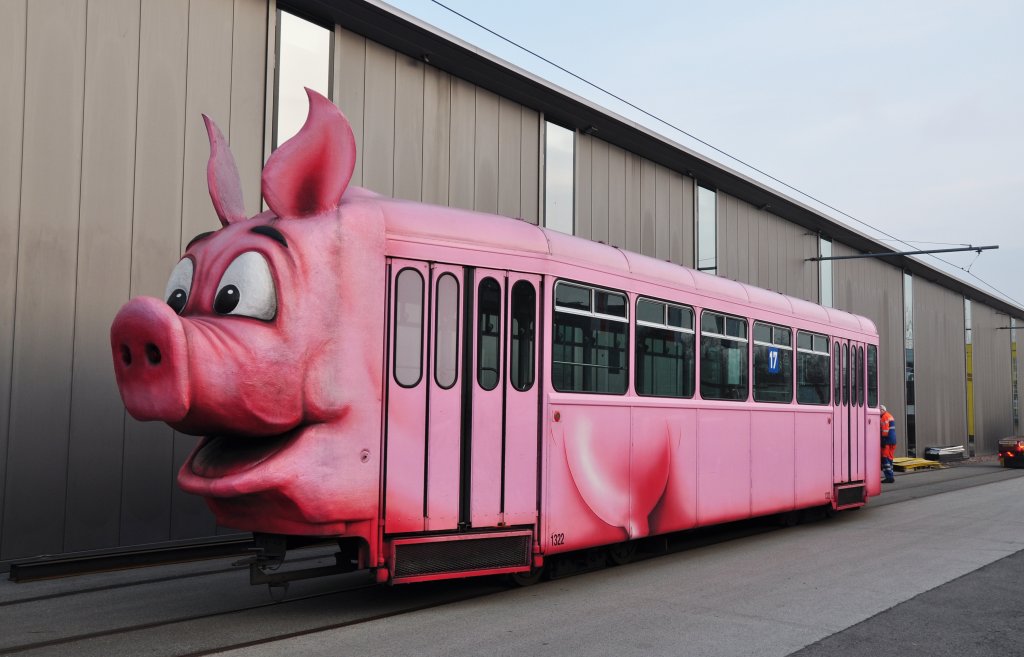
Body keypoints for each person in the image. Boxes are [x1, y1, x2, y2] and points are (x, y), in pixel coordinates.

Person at [880, 404, 897, 483]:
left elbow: (885, 430)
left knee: (885, 458)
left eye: (880, 410)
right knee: (890, 459)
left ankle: (889, 477)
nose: (879, 412)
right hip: (892, 440)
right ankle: (891, 476)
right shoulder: (889, 415)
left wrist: (883, 439)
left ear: (882, 410)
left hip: (887, 441)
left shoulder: (884, 417)